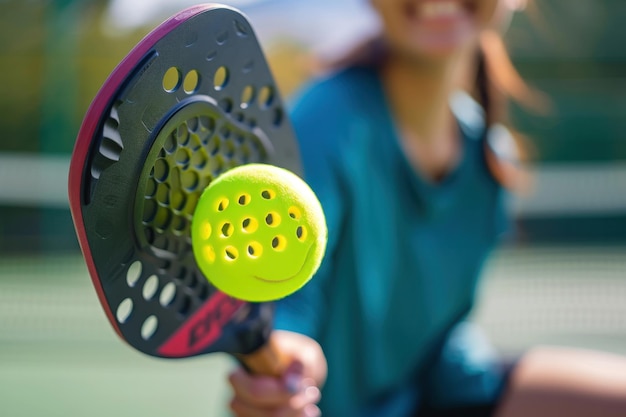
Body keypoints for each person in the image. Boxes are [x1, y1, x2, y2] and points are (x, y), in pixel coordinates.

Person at [227, 1, 626, 416]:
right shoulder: (324, 124)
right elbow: (285, 314)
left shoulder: (490, 161)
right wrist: (287, 364)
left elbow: (436, 351)